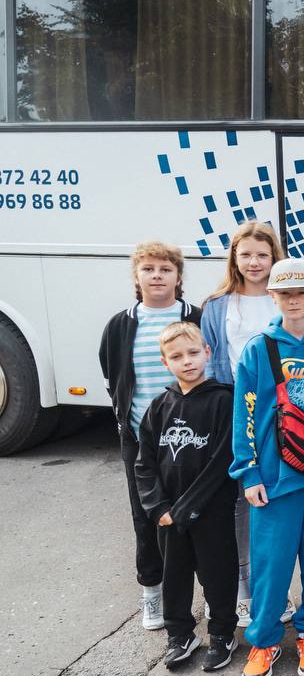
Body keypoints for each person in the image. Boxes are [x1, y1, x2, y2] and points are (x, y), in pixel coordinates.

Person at [232, 258, 304, 676]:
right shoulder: (258, 348)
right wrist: (249, 472)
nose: (294, 301)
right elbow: (244, 414)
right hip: (274, 478)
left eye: (301, 293)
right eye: (285, 294)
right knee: (271, 566)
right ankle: (263, 641)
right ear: (273, 296)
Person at [98, 241, 201, 632]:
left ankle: (211, 593)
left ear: (178, 276)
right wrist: (126, 421)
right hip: (142, 442)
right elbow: (113, 375)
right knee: (147, 518)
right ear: (136, 277)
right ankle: (152, 593)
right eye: (149, 269)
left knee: (201, 516)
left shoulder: (195, 316)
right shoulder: (121, 325)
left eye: (165, 269)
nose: (157, 276)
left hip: (195, 440)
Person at [134, 322, 239, 672]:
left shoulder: (224, 400)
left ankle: (222, 633)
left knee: (217, 572)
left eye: (193, 353)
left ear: (207, 353)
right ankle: (180, 635)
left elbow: (222, 459)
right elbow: (144, 462)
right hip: (168, 515)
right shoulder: (159, 406)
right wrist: (158, 507)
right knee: (175, 575)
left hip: (211, 510)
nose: (187, 361)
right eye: (177, 356)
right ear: (165, 363)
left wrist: (189, 508)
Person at [199, 221, 288, 627]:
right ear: (234, 258)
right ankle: (242, 589)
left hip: (280, 414)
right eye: (246, 254)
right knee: (239, 502)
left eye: (262, 255)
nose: (254, 262)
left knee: (275, 500)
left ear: (274, 258)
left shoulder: (282, 299)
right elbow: (211, 363)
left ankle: (275, 589)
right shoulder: (218, 305)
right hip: (236, 409)